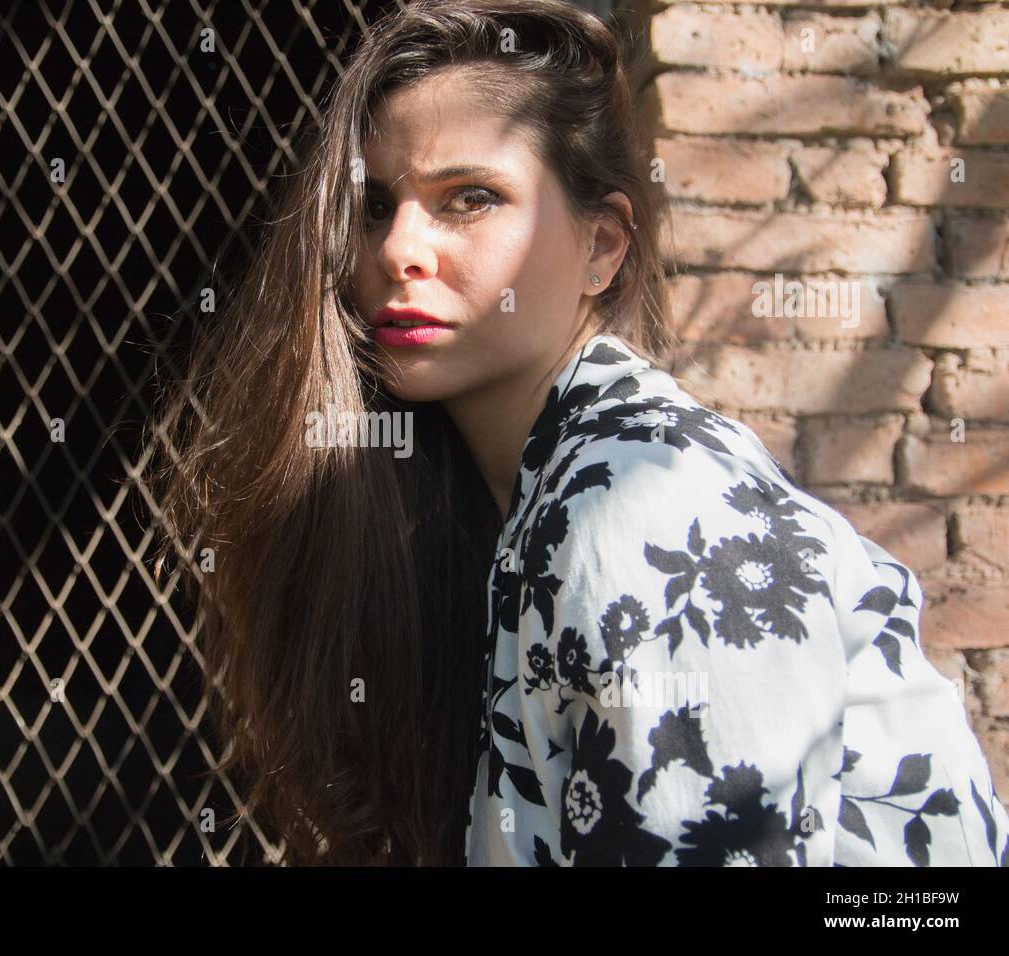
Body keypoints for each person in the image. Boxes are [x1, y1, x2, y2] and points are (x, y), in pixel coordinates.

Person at [146, 0, 1009, 865]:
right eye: (374, 206)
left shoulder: (644, 504)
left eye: (469, 198)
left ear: (602, 246)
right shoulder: (509, 509)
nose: (397, 247)